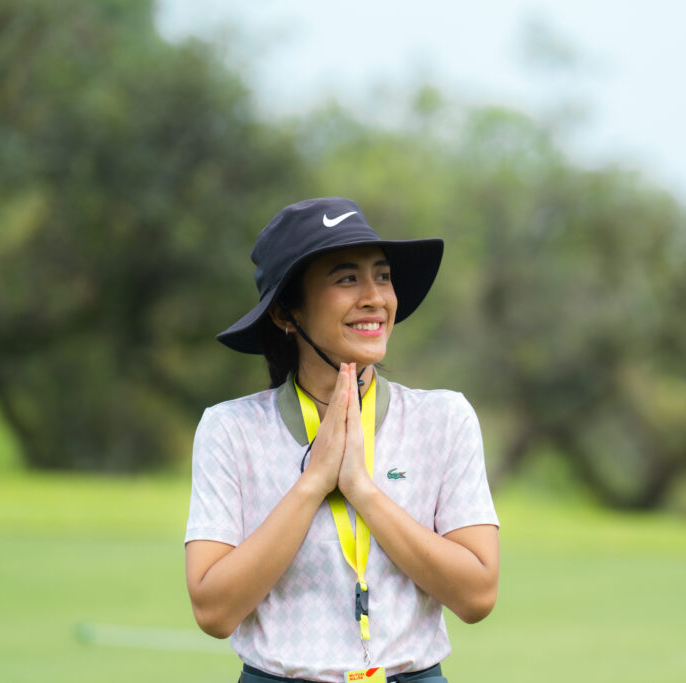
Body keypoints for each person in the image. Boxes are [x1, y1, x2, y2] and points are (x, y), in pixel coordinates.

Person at [185, 197, 500, 683]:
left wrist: (362, 490)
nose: (375, 297)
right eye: (346, 278)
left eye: (383, 276)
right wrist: (313, 482)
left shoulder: (443, 419)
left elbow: (477, 596)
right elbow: (213, 611)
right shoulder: (231, 430)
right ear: (285, 313)